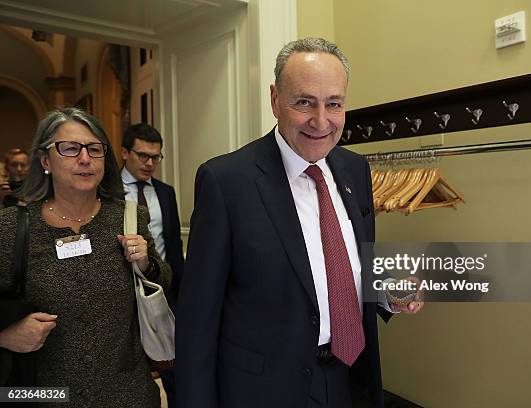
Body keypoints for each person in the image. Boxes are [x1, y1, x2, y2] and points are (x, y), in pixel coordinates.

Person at [176, 38, 424, 408]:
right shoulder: (225, 182)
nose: (321, 121)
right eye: (305, 102)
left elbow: (345, 269)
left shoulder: (355, 170)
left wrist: (387, 293)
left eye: (334, 104)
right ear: (275, 100)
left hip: (349, 378)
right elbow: (197, 322)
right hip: (264, 390)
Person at [0, 107, 171, 407]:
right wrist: (5, 335)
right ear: (45, 161)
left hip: (127, 395)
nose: (84, 159)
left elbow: (163, 280)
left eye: (94, 149)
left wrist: (146, 263)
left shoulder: (129, 218)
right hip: (46, 395)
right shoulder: (11, 228)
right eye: (69, 148)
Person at [121, 123, 184, 406]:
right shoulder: (106, 191)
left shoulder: (165, 192)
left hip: (165, 289)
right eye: (143, 155)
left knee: (173, 364)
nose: (150, 163)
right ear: (125, 153)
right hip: (125, 292)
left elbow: (173, 245)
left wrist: (181, 291)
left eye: (156, 157)